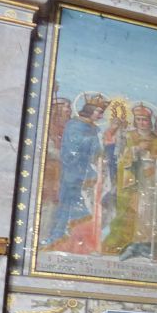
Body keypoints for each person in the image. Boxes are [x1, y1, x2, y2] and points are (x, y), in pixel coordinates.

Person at [103, 103, 157, 258]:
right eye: (138, 119)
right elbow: (120, 159)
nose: (141, 123)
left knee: (148, 215)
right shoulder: (128, 136)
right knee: (130, 213)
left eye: (144, 120)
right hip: (132, 184)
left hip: (150, 185)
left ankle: (144, 245)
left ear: (149, 121)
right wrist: (136, 149)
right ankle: (127, 245)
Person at [43, 93, 109, 249]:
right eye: (99, 112)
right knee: (68, 206)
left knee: (88, 207)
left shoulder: (93, 128)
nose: (101, 116)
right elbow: (72, 148)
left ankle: (79, 240)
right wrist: (95, 141)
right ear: (90, 109)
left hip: (87, 173)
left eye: (102, 113)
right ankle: (60, 237)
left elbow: (97, 152)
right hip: (73, 173)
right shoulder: (74, 125)